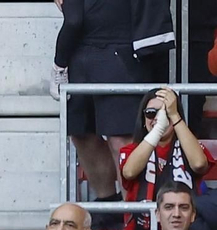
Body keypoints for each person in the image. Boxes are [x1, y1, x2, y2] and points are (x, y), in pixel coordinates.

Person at [53, 0, 162, 210]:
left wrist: (58, 64)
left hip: (119, 51)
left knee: (121, 138)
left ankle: (130, 211)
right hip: (87, 55)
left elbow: (74, 20)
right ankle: (110, 203)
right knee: (81, 131)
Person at [118, 88, 214, 230]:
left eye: (165, 113)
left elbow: (199, 164)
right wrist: (157, 129)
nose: (158, 117)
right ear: (143, 119)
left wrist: (174, 115)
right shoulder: (132, 150)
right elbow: (129, 172)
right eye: (151, 113)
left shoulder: (189, 147)